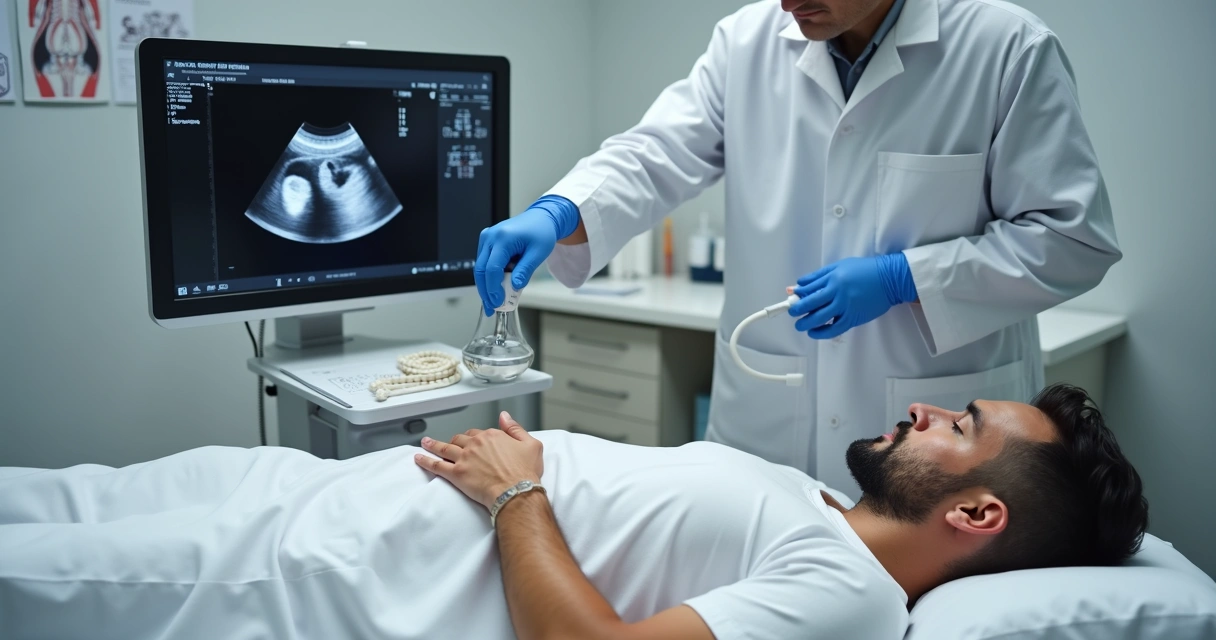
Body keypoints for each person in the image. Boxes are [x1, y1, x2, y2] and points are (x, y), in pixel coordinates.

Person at [473, 0, 1122, 494]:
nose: (786, 3)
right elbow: (657, 154)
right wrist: (563, 210)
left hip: (931, 418)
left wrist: (907, 277)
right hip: (768, 422)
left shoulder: (1004, 47)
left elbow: (1071, 238)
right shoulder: (747, 41)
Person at [0, 383, 1148, 639]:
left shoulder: (847, 598)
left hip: (314, 571)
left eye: (958, 425)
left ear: (980, 516)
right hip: (298, 494)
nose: (921, 409)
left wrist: (517, 488)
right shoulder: (815, 512)